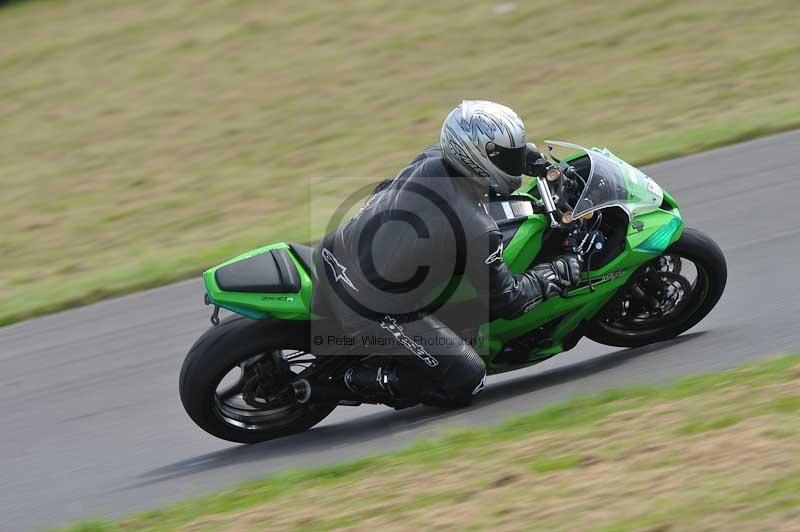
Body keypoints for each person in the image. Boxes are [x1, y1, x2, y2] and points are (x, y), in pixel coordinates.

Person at [313, 100, 582, 407]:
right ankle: (351, 381)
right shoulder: (477, 228)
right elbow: (509, 300)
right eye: (507, 156)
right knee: (467, 379)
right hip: (367, 307)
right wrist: (562, 270)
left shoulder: (433, 158)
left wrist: (533, 162)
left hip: (335, 252)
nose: (514, 159)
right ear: (477, 158)